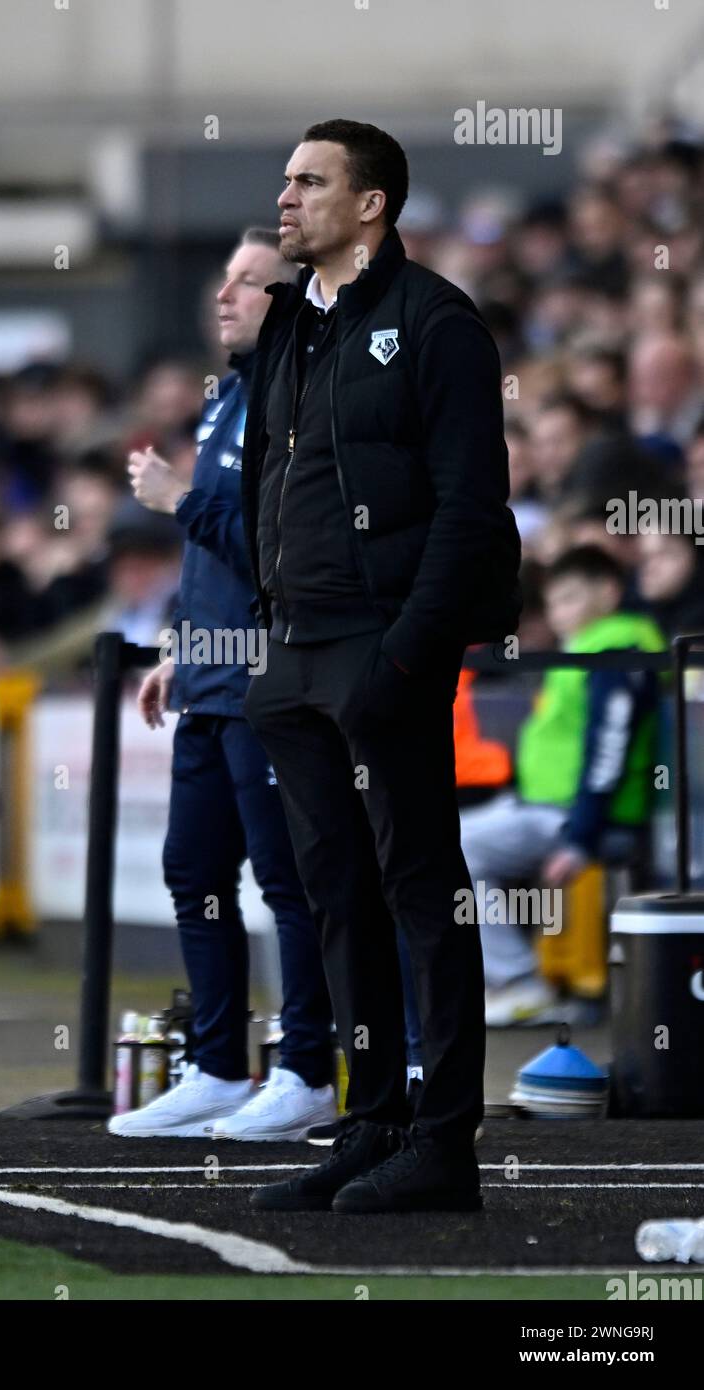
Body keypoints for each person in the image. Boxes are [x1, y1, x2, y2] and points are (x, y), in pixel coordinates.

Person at [241, 119, 520, 1214]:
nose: (287, 196)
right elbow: (269, 475)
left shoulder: (437, 322)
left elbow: (469, 506)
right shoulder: (286, 325)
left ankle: (444, 1140)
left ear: (372, 206)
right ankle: (370, 1123)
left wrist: (408, 651)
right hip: (296, 652)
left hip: (381, 648)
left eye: (311, 182)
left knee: (421, 893)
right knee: (336, 899)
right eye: (284, 179)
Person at [108, 228, 339, 1140]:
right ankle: (213, 1066)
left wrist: (179, 501)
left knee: (289, 883)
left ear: (290, 297)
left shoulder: (301, 398)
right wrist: (180, 645)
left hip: (272, 687)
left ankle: (309, 1069)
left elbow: (290, 555)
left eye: (249, 282)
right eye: (224, 282)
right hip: (209, 681)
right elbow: (220, 564)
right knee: (194, 872)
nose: (225, 296)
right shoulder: (226, 401)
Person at [461, 547, 665, 1026]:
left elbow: (608, 750)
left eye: (572, 597)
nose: (560, 612)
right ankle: (506, 982)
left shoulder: (615, 650)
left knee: (453, 848)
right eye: (554, 602)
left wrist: (580, 839)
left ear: (609, 592)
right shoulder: (585, 650)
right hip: (545, 809)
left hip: (577, 817)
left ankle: (518, 982)